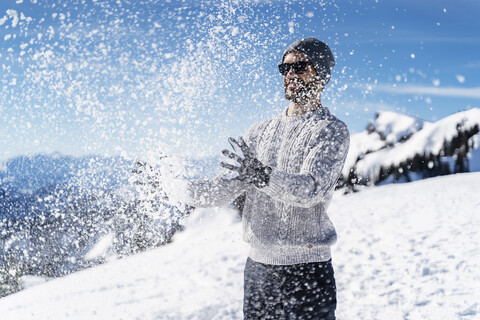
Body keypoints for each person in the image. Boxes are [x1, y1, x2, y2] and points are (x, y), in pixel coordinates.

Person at [174, 37, 349, 320]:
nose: (290, 74)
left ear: (321, 74)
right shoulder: (258, 132)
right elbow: (221, 190)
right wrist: (173, 187)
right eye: (285, 68)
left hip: (307, 273)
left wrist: (263, 175)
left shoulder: (330, 131)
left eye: (300, 66)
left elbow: (311, 190)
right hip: (258, 272)